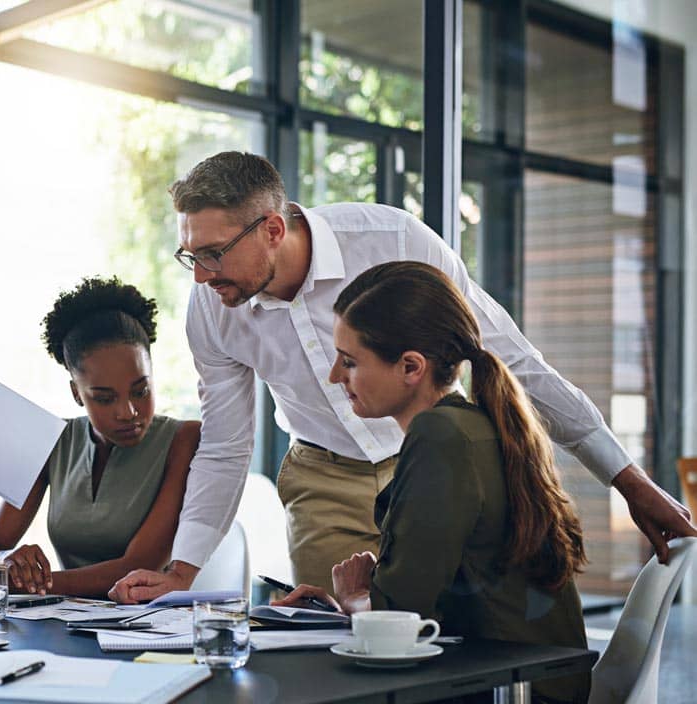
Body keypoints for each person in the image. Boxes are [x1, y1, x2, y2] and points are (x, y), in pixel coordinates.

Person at [110, 151, 694, 602]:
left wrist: (629, 482)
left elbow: (512, 360)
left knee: (444, 642)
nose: (201, 275)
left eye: (213, 253)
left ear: (272, 229)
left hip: (434, 467)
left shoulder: (392, 241)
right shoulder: (213, 307)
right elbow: (225, 443)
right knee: (334, 651)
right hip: (324, 481)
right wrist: (182, 571)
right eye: (190, 256)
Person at [275, 261, 590, 703]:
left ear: (410, 367)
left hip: (504, 689)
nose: (334, 376)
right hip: (526, 682)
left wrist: (355, 598)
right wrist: (353, 603)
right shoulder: (475, 425)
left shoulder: (440, 437)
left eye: (349, 362)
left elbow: (403, 616)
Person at [0, 277, 200, 598]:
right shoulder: (51, 440)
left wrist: (11, 582)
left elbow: (137, 568)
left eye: (141, 391)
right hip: (66, 618)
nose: (128, 412)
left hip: (155, 621)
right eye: (105, 398)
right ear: (77, 393)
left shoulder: (184, 439)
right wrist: (3, 560)